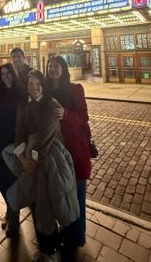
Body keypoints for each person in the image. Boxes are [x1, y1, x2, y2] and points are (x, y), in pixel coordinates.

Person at [4, 70, 79, 262]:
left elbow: (45, 136)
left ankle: (53, 248)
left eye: (38, 83)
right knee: (37, 205)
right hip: (31, 159)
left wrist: (31, 159)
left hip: (51, 160)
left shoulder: (52, 104)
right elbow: (19, 131)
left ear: (43, 85)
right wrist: (22, 157)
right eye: (30, 84)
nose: (34, 87)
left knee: (51, 203)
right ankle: (46, 249)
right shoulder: (23, 105)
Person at [46, 55, 92, 259]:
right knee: (61, 195)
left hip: (74, 149)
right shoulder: (45, 91)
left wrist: (66, 114)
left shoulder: (75, 89)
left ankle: (77, 236)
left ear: (63, 69)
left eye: (56, 66)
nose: (52, 69)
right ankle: (66, 230)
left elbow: (84, 117)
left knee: (78, 195)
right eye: (49, 66)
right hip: (54, 150)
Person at [0, 63, 22, 237]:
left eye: (8, 72)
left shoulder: (21, 92)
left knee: (11, 180)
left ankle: (14, 215)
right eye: (2, 74)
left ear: (13, 73)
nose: (5, 76)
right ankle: (10, 209)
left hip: (12, 143)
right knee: (0, 179)